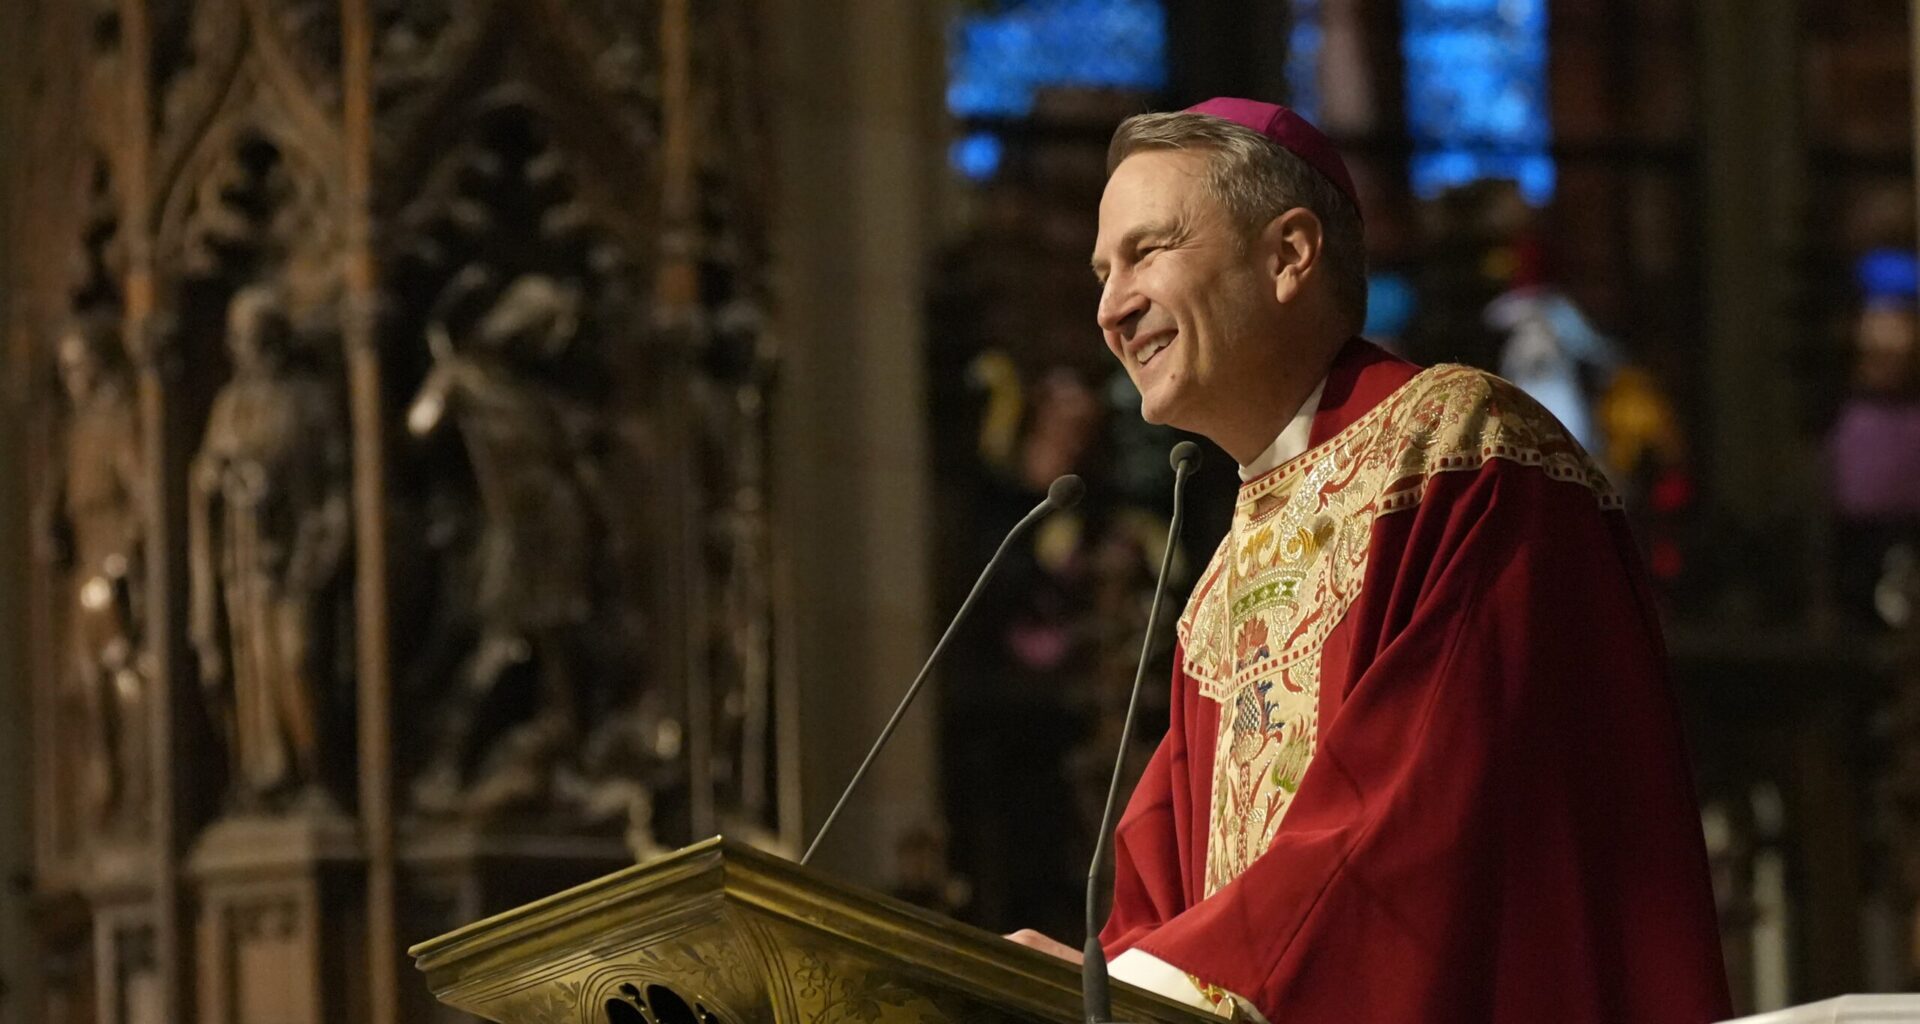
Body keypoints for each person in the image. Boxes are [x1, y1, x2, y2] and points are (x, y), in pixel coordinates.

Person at [1004, 98, 1731, 1023]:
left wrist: (1140, 983)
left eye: (1147, 252)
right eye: (1102, 273)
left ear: (1290, 256)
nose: (1111, 308)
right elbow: (1162, 887)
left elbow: (1425, 805)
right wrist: (1080, 986)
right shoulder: (1226, 578)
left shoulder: (1460, 451)